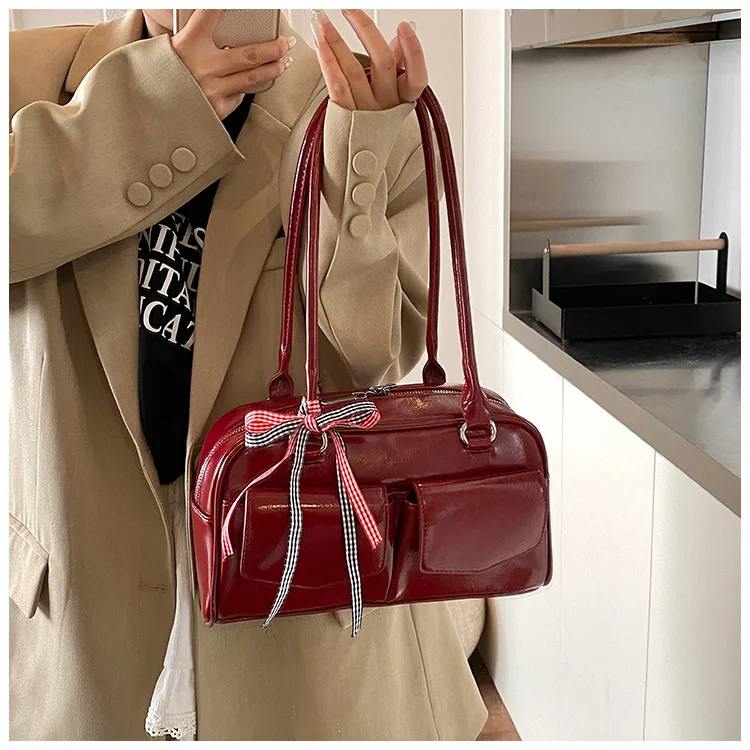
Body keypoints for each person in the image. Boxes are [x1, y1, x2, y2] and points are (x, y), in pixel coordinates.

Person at [9, 8, 488, 740]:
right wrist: (153, 105)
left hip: (301, 610)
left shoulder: (357, 103)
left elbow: (375, 358)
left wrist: (357, 163)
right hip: (80, 606)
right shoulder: (25, 75)